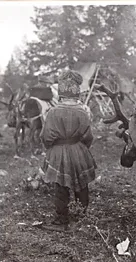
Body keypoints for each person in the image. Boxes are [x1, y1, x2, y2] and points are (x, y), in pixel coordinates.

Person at [40, 70, 97, 232]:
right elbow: (88, 136)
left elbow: (46, 137)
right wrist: (81, 147)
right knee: (81, 184)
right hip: (79, 150)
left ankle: (61, 221)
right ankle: (81, 218)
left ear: (61, 94)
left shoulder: (53, 112)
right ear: (76, 94)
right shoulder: (82, 111)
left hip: (58, 151)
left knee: (60, 186)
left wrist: (51, 147)